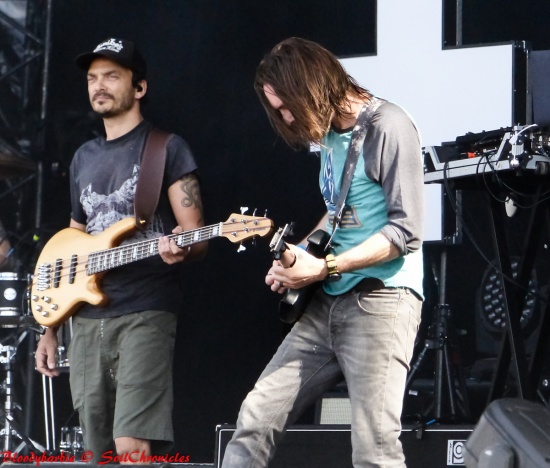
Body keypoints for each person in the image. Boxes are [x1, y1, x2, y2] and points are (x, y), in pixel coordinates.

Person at [222, 37, 424, 468]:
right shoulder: (331, 138)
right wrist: (298, 258)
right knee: (256, 417)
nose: (286, 118)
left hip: (381, 301)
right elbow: (338, 214)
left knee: (375, 450)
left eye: (287, 106)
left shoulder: (389, 126)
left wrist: (325, 266)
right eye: (278, 111)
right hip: (326, 302)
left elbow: (405, 232)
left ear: (311, 86)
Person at [35, 37, 207, 463]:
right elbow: (69, 245)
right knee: (96, 451)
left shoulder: (166, 148)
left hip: (145, 309)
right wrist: (50, 328)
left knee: (133, 444)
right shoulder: (83, 157)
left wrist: (182, 249)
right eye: (92, 78)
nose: (99, 85)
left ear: (139, 87)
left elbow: (196, 234)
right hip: (86, 319)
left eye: (112, 76)